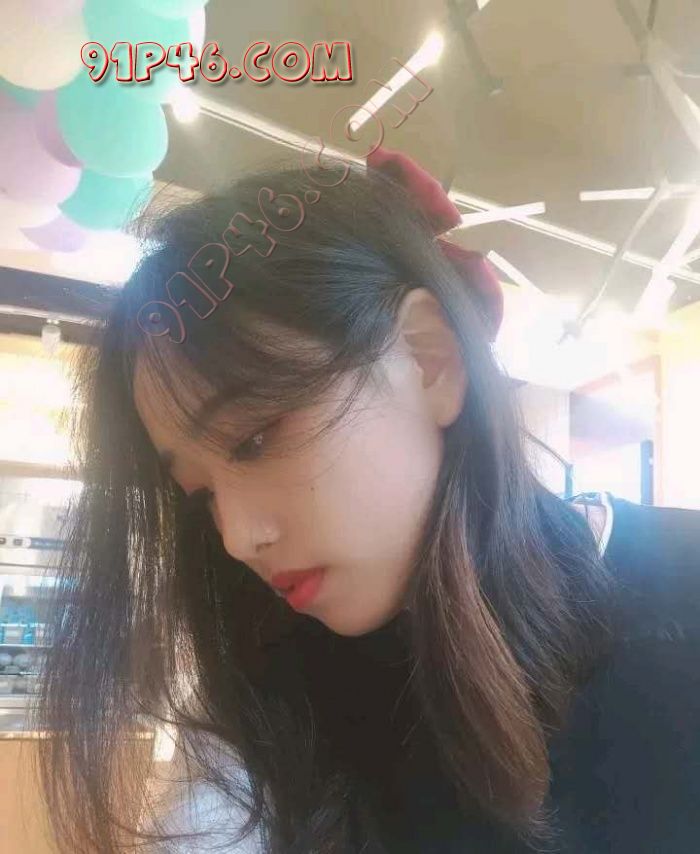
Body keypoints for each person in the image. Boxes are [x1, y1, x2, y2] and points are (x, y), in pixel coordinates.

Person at [35, 146, 700, 854]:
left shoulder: (680, 591)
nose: (235, 539)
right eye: (200, 496)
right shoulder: (270, 704)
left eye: (255, 439)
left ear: (427, 358)